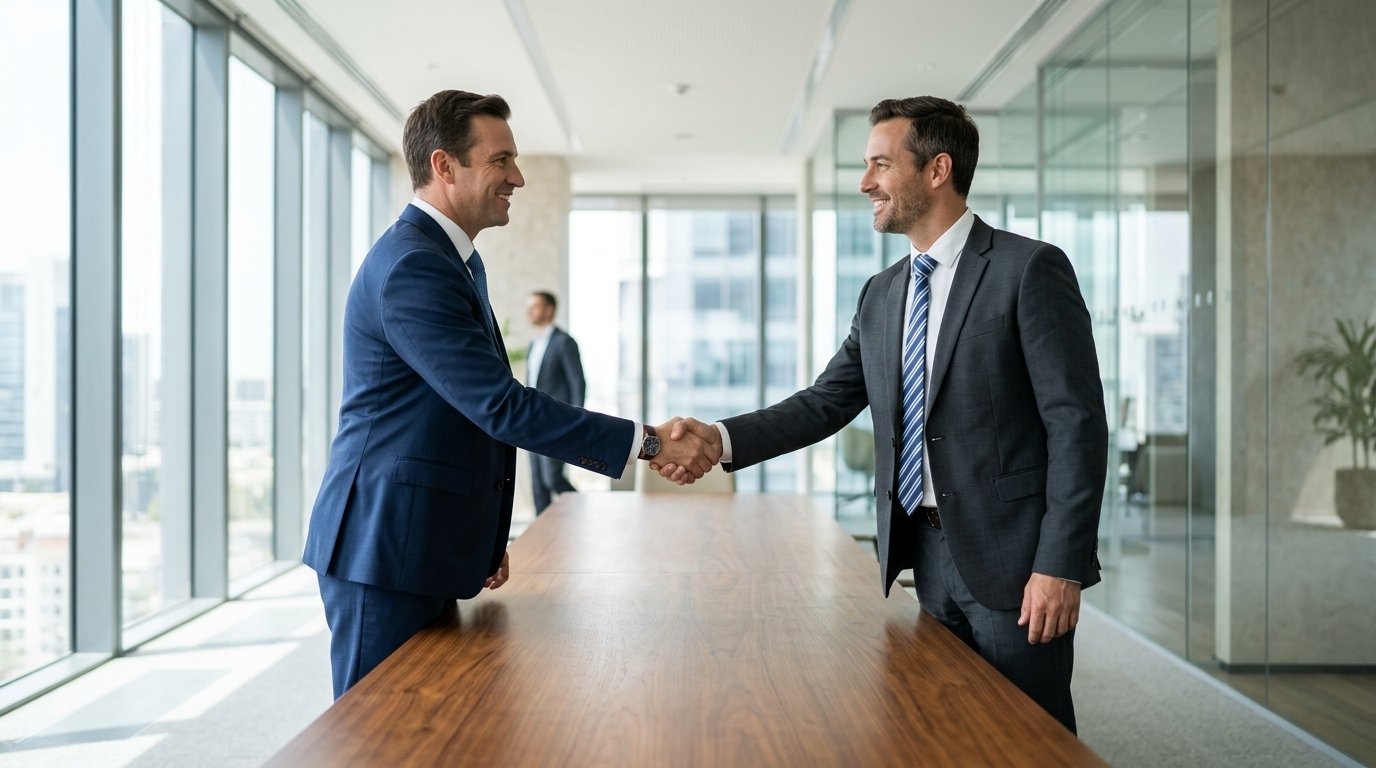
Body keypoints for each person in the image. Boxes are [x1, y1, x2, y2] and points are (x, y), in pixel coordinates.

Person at [657, 96, 1107, 732]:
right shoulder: (882, 293)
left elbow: (1076, 424)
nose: (866, 182)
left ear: (936, 170)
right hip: (921, 553)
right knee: (942, 725)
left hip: (1015, 559)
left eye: (880, 165)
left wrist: (1059, 563)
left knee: (1032, 735)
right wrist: (719, 438)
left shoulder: (1027, 269)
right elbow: (824, 402)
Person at [303, 90, 719, 699]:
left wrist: (481, 536)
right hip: (382, 545)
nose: (517, 176)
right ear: (445, 166)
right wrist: (650, 442)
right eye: (501, 160)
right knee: (377, 739)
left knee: (426, 729)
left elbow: (459, 415)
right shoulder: (414, 266)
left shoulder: (452, 260)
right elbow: (500, 405)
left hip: (414, 540)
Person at [524, 291, 584, 514]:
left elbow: (577, 383)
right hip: (531, 420)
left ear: (549, 309)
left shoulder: (564, 342)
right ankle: (543, 539)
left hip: (555, 421)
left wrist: (577, 421)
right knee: (538, 483)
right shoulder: (533, 344)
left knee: (552, 477)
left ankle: (585, 513)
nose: (529, 311)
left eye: (535, 306)